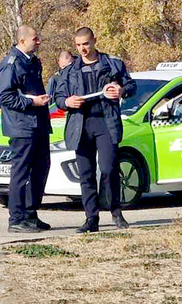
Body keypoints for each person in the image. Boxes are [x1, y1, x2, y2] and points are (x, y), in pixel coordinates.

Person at [53, 27, 136, 233]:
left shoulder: (112, 64)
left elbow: (131, 86)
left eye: (86, 44)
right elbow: (59, 97)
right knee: (86, 174)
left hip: (105, 123)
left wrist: (121, 90)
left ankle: (116, 211)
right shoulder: (70, 71)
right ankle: (91, 218)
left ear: (94, 41)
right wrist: (67, 102)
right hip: (80, 125)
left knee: (109, 169)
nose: (82, 49)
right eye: (78, 45)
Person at [0, 25, 52, 234]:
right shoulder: (11, 64)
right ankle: (16, 218)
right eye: (35, 39)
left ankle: (30, 213)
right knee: (20, 173)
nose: (38, 42)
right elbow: (5, 96)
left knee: (41, 168)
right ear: (22, 41)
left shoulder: (33, 61)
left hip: (38, 124)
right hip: (21, 127)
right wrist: (32, 102)